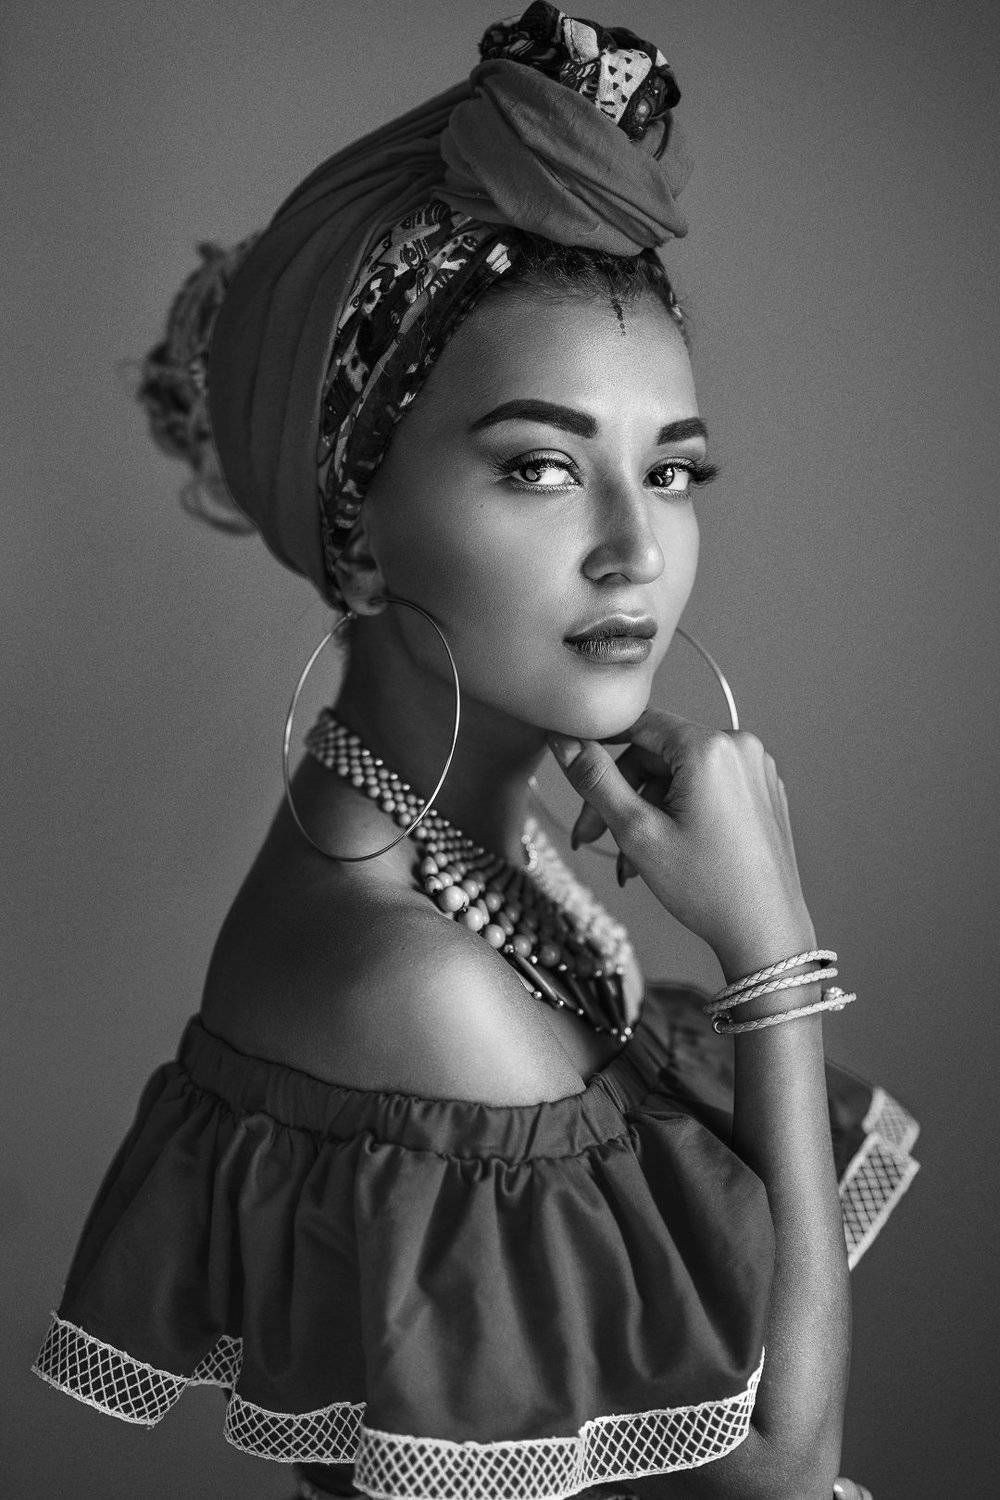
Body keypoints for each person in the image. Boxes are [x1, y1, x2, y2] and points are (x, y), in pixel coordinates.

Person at [32, 6, 917, 1498]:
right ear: (358, 521)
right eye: (543, 466)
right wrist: (773, 953)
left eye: (672, 470)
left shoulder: (463, 846)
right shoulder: (413, 980)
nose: (637, 550)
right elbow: (782, 1473)